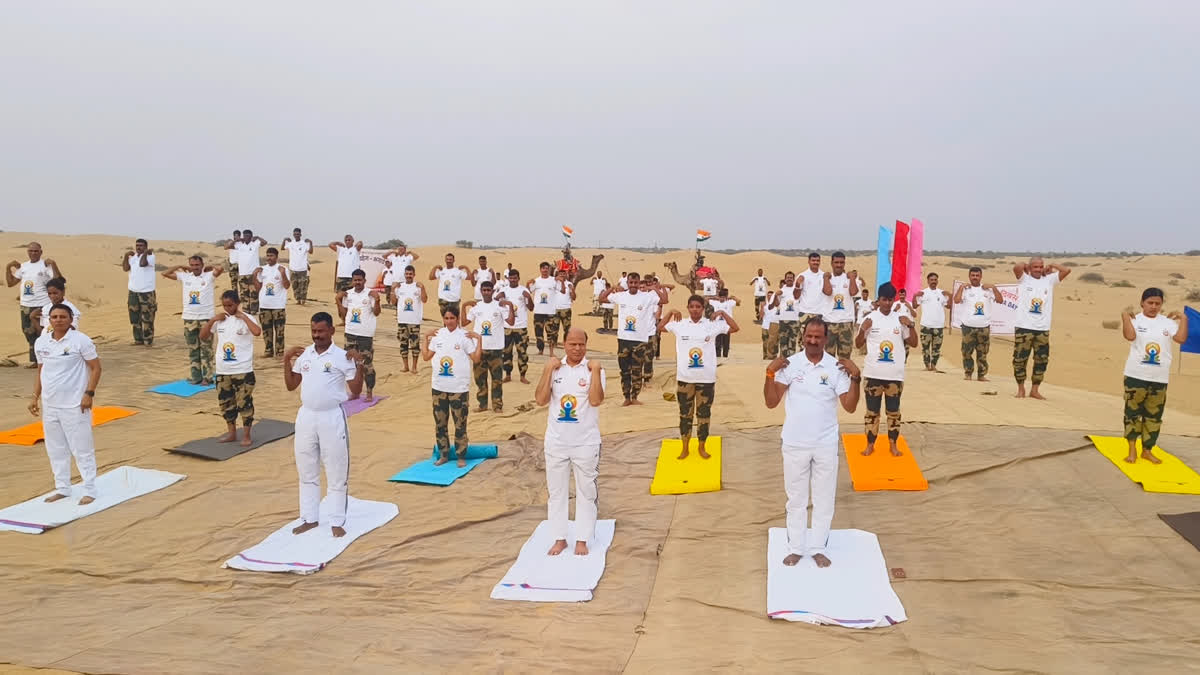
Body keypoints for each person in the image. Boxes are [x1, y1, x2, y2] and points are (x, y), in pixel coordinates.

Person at [763, 317, 861, 567]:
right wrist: (770, 373)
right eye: (809, 336)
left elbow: (849, 407)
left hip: (825, 444)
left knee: (823, 498)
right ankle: (796, 547)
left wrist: (856, 378)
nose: (813, 341)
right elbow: (771, 402)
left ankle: (818, 547)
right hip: (795, 442)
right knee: (795, 498)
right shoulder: (790, 364)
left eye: (818, 337)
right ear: (803, 336)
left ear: (826, 339)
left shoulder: (835, 367)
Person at [283, 312, 365, 538]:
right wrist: (286, 361)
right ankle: (309, 518)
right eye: (314, 331)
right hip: (306, 417)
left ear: (331, 331)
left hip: (332, 417)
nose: (316, 336)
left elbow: (356, 391)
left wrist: (359, 364)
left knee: (336, 470)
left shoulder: (342, 356)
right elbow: (292, 385)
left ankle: (337, 520)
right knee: (306, 469)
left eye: (320, 331)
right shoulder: (305, 355)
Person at [535, 327, 606, 556]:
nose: (577, 348)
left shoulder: (593, 369)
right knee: (557, 492)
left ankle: (583, 538)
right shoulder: (555, 369)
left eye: (581, 344)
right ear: (564, 344)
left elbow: (596, 400)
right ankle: (560, 537)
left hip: (585, 442)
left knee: (586, 491)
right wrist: (547, 369)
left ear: (586, 345)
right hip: (556, 441)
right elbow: (540, 399)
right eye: (572, 344)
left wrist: (594, 371)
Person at [28, 304, 102, 505]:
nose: (58, 320)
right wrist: (35, 396)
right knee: (55, 448)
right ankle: (62, 487)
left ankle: (90, 489)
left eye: (62, 316)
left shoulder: (81, 340)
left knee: (81, 448)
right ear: (49, 320)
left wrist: (89, 394)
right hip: (50, 404)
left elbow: (96, 368)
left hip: (75, 404)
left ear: (70, 319)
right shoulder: (42, 342)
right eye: (54, 317)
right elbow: (41, 371)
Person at [661, 295, 738, 459]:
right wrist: (670, 312)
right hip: (685, 379)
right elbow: (660, 327)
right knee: (685, 414)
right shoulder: (680, 325)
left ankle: (702, 446)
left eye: (698, 306)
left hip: (706, 380)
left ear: (703, 309)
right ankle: (685, 447)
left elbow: (734, 328)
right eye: (692, 306)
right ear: (687, 308)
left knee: (704, 414)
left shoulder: (712, 326)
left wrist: (723, 314)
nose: (695, 309)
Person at [1120, 288, 1188, 464]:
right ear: (1142, 303)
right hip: (1136, 375)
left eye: (1157, 303)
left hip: (1159, 377)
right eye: (1150, 303)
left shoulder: (1167, 323)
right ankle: (1132, 450)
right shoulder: (1135, 320)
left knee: (1154, 416)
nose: (1153, 306)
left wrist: (1184, 319)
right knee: (1132, 414)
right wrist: (1125, 318)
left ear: (1161, 305)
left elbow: (1181, 339)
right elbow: (1129, 336)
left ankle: (1147, 450)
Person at [855, 283, 917, 456]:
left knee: (894, 412)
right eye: (884, 300)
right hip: (873, 374)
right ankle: (870, 444)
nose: (888, 304)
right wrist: (863, 330)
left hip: (894, 376)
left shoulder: (900, 319)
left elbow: (914, 343)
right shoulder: (870, 318)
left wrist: (910, 325)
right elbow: (858, 344)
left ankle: (893, 444)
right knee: (872, 413)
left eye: (891, 300)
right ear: (879, 300)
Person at [422, 307, 482, 466]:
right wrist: (425, 338)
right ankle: (444, 454)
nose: (449, 321)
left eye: (452, 318)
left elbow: (476, 359)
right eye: (446, 318)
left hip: (458, 388)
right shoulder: (438, 335)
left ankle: (461, 455)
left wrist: (479, 340)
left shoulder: (464, 336)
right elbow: (426, 356)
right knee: (440, 423)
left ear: (457, 319)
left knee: (460, 423)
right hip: (439, 387)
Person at [200, 291, 262, 447]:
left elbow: (257, 332)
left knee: (244, 403)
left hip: (242, 369)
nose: (227, 308)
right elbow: (203, 336)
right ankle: (232, 433)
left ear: (237, 303)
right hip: (223, 370)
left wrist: (244, 318)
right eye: (224, 305)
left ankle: (247, 435)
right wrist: (213, 319)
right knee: (226, 403)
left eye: (230, 305)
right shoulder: (220, 320)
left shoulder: (246, 318)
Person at [599, 273, 663, 405]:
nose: (633, 285)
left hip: (640, 340)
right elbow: (602, 298)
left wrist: (655, 289)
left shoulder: (647, 296)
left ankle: (635, 397)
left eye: (636, 282)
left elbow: (664, 300)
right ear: (627, 283)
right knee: (624, 370)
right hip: (623, 339)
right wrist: (612, 288)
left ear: (639, 283)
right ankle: (626, 397)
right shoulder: (621, 296)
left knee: (637, 370)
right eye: (631, 282)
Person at [1012, 257, 1072, 399]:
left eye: (1040, 267)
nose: (1038, 270)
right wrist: (1026, 266)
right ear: (1031, 268)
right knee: (1020, 360)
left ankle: (1035, 390)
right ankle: (1020, 389)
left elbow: (1066, 270)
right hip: (1024, 327)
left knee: (1041, 360)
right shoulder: (1024, 279)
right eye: (1035, 267)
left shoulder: (1049, 280)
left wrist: (1052, 265)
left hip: (1042, 329)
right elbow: (1017, 267)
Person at [163, 256, 224, 385]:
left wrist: (209, 267)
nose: (195, 267)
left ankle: (207, 377)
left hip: (206, 318)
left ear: (202, 265)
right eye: (192, 265)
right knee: (193, 349)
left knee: (206, 349)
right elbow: (165, 273)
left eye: (197, 265)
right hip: (189, 318)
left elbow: (220, 269)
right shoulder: (185, 277)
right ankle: (195, 376)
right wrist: (180, 266)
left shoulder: (209, 276)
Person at [462, 281, 516, 412]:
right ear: (481, 291)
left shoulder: (499, 306)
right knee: (480, 379)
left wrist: (509, 306)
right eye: (484, 290)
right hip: (479, 349)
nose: (486, 292)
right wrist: (464, 306)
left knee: (497, 379)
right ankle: (483, 404)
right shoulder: (476, 307)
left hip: (496, 349)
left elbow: (511, 322)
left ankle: (497, 405)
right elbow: (464, 322)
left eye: (488, 290)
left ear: (493, 291)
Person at [7, 242, 62, 367]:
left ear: (41, 252)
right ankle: (36, 360)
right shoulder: (24, 266)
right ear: (27, 252)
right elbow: (10, 283)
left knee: (43, 331)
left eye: (36, 251)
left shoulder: (45, 265)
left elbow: (58, 281)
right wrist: (8, 267)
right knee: (28, 331)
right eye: (31, 251)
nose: (33, 253)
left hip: (42, 304)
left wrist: (53, 264)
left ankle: (48, 358)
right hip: (25, 305)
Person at [336, 269, 381, 401]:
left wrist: (377, 300)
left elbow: (377, 313)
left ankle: (369, 392)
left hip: (365, 334)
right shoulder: (348, 294)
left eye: (360, 280)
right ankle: (354, 391)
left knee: (366, 364)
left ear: (364, 281)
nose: (357, 282)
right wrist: (338, 301)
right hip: (350, 333)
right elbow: (343, 315)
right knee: (349, 364)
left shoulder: (370, 294)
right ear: (352, 281)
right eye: (355, 280)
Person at [953, 267, 1003, 381]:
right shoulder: (965, 290)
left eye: (977, 275)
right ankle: (968, 373)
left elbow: (1000, 300)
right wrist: (961, 287)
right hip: (968, 327)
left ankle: (981, 375)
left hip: (983, 327)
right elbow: (956, 300)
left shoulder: (987, 290)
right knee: (966, 352)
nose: (975, 277)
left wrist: (994, 288)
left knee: (983, 353)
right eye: (973, 275)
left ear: (981, 276)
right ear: (969, 276)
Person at [495, 268, 533, 384]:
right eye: (511, 278)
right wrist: (499, 297)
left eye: (515, 278)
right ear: (508, 279)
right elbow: (495, 302)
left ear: (518, 279)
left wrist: (528, 297)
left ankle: (522, 375)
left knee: (522, 352)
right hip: (507, 326)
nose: (513, 280)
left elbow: (531, 308)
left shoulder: (523, 290)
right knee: (506, 352)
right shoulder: (504, 290)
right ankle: (508, 375)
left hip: (521, 327)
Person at [251, 248, 291, 358]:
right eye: (267, 255)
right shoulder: (262, 269)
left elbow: (287, 286)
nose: (269, 258)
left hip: (278, 305)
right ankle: (268, 351)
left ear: (276, 257)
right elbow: (258, 288)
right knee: (266, 330)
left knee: (279, 331)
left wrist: (283, 274)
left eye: (271, 255)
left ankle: (279, 352)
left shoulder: (283, 269)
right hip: (264, 305)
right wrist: (254, 276)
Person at [821, 253, 859, 360]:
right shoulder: (826, 278)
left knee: (845, 356)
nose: (839, 265)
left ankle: (844, 377)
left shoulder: (849, 278)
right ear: (831, 263)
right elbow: (828, 292)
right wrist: (826, 278)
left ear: (844, 263)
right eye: (836, 262)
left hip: (846, 322)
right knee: (828, 356)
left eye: (841, 262)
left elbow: (853, 292)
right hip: (829, 322)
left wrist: (852, 278)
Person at [390, 264, 427, 374]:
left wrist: (423, 288)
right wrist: (392, 289)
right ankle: (405, 366)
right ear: (404, 275)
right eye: (407, 274)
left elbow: (424, 300)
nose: (408, 276)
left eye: (410, 274)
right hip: (402, 320)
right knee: (403, 344)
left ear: (414, 275)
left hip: (414, 321)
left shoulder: (418, 286)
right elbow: (393, 302)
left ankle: (414, 367)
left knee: (415, 345)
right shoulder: (400, 287)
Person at [122, 238, 158, 346]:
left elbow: (143, 264)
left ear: (146, 247)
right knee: (134, 317)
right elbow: (125, 268)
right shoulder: (132, 258)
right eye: (137, 245)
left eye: (141, 245)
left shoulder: (150, 257)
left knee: (147, 317)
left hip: (147, 292)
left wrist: (146, 253)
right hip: (133, 291)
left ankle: (148, 340)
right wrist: (125, 256)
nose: (138, 247)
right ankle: (138, 339)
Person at [912, 273, 949, 371]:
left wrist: (949, 295)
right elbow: (915, 306)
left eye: (935, 279)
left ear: (937, 281)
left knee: (936, 348)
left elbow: (949, 306)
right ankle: (927, 365)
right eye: (931, 280)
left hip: (939, 325)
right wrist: (915, 296)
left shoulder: (941, 293)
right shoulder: (923, 293)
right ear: (928, 281)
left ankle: (934, 365)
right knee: (925, 348)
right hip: (926, 325)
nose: (933, 281)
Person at [226, 230, 269, 312]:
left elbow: (264, 242)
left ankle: (254, 311)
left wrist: (258, 237)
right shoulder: (239, 245)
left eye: (248, 236)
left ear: (251, 236)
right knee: (244, 293)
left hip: (253, 274)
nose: (247, 237)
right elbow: (228, 246)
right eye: (245, 236)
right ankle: (246, 310)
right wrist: (236, 240)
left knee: (254, 293)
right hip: (242, 274)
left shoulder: (255, 244)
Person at [529, 262, 559, 355]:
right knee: (538, 332)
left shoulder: (554, 280)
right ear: (540, 269)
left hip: (550, 311)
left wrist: (561, 280)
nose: (545, 270)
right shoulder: (536, 281)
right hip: (538, 311)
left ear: (549, 269)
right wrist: (528, 283)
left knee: (551, 332)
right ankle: (540, 349)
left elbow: (561, 290)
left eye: (547, 268)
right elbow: (529, 291)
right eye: (543, 268)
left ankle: (551, 351)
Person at [769, 271, 801, 358]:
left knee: (792, 342)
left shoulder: (797, 290)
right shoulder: (781, 291)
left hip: (795, 320)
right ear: (785, 279)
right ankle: (783, 361)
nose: (789, 279)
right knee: (783, 342)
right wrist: (776, 295)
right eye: (788, 277)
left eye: (791, 277)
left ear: (794, 279)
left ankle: (791, 362)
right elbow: (774, 305)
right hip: (783, 320)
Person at [429, 253, 471, 317]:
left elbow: (469, 277)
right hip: (443, 300)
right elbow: (431, 277)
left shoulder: (458, 271)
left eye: (450, 259)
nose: (449, 261)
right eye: (447, 259)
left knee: (455, 320)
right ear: (445, 260)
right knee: (445, 319)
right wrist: (435, 267)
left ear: (454, 260)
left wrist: (466, 267)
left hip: (454, 300)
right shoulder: (442, 271)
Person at [282, 228, 314, 305]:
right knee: (294, 285)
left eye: (298, 234)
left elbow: (311, 252)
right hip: (293, 268)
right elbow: (282, 248)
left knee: (303, 285)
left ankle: (303, 300)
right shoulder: (290, 243)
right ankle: (298, 300)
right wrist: (284, 240)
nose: (296, 235)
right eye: (295, 234)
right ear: (293, 234)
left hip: (302, 269)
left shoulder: (304, 243)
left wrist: (311, 243)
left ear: (300, 234)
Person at [550, 267, 577, 354]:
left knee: (567, 328)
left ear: (566, 275)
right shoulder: (554, 283)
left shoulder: (569, 284)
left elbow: (574, 297)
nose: (562, 275)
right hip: (555, 309)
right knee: (554, 328)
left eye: (564, 273)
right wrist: (557, 280)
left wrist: (572, 289)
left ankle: (567, 343)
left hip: (566, 308)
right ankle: (554, 344)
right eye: (560, 273)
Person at [707, 288, 740, 359]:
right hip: (717, 325)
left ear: (725, 297)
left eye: (723, 297)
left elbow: (738, 302)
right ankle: (717, 356)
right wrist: (714, 297)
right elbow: (705, 299)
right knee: (718, 342)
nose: (722, 298)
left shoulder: (729, 302)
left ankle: (725, 356)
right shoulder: (715, 302)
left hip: (727, 325)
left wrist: (732, 297)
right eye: (720, 297)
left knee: (726, 342)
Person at [797, 252, 825, 328]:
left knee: (819, 338)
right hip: (805, 313)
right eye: (813, 260)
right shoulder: (802, 276)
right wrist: (797, 285)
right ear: (808, 261)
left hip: (821, 313)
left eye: (817, 261)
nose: (815, 262)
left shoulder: (824, 276)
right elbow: (796, 296)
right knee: (804, 338)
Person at [761, 287, 779, 360]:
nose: (769, 297)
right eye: (768, 295)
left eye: (771, 295)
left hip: (774, 326)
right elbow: (761, 316)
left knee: (774, 342)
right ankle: (765, 356)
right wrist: (762, 307)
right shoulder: (764, 304)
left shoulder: (777, 305)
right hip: (765, 326)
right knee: (765, 342)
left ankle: (773, 355)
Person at [854, 288, 873, 356]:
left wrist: (868, 312)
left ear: (868, 294)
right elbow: (855, 311)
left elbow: (873, 310)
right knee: (860, 336)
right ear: (862, 294)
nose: (865, 295)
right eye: (863, 294)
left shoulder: (870, 302)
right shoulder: (858, 302)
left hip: (867, 322)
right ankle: (861, 351)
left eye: (866, 294)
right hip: (859, 321)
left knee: (867, 336)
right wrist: (855, 319)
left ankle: (866, 350)